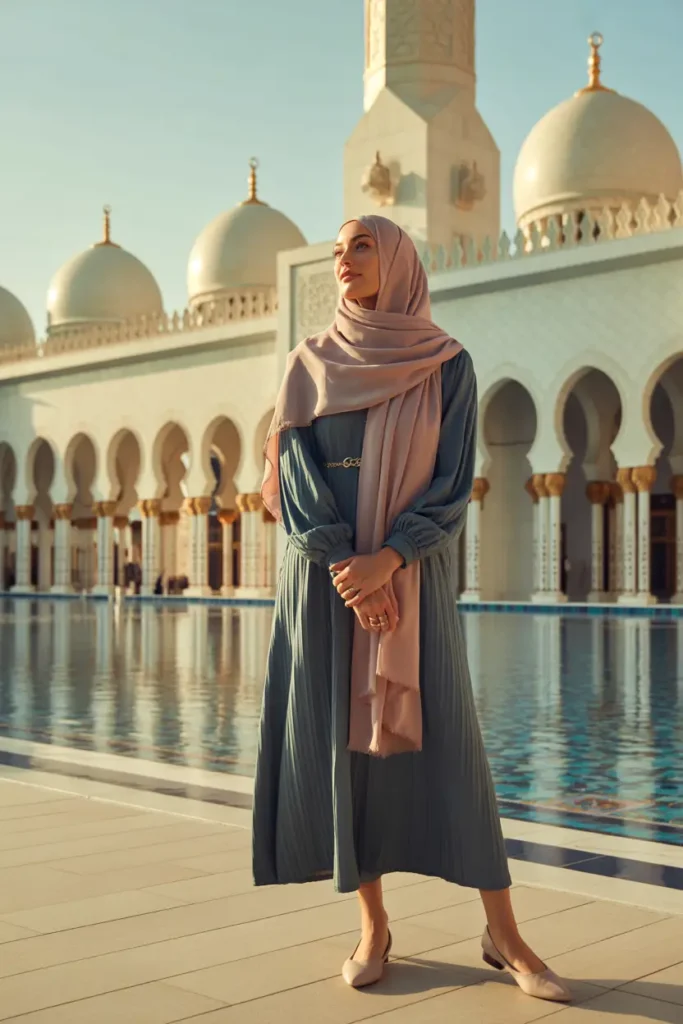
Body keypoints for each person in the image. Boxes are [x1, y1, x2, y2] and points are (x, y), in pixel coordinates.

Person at [252, 215, 571, 1003]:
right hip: (328, 586)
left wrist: (388, 558)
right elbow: (296, 482)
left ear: (397, 260)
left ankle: (504, 933)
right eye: (336, 251)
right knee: (347, 758)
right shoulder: (308, 366)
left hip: (409, 577)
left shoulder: (445, 365)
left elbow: (451, 480)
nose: (344, 261)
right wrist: (348, 567)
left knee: (452, 752)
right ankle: (372, 926)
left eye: (362, 245)